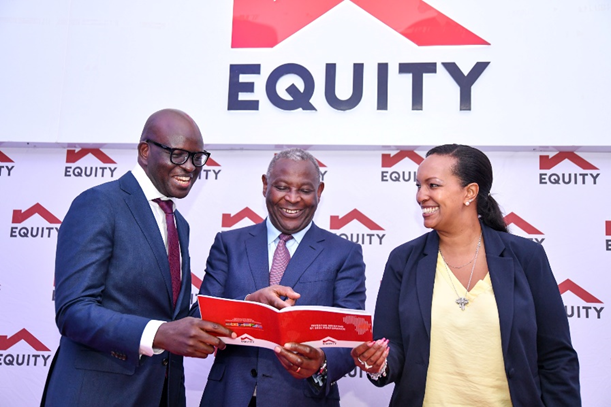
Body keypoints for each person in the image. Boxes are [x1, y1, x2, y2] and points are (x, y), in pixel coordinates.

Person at [351, 144, 580, 406]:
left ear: (469, 192)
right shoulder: (403, 260)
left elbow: (556, 356)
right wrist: (377, 362)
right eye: (418, 186)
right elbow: (393, 349)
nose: (421, 195)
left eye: (433, 185)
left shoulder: (526, 257)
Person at [42, 109, 235, 407]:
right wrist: (159, 334)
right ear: (145, 151)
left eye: (198, 157)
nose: (191, 167)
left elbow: (175, 319)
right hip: (98, 396)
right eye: (179, 154)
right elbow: (73, 311)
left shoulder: (177, 222)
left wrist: (247, 306)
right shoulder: (99, 204)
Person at [195, 148, 366, 406]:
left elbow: (351, 334)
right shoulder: (228, 244)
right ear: (265, 185)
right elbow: (197, 319)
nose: (293, 199)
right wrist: (250, 303)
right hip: (229, 397)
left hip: (302, 398)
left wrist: (321, 362)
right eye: (282, 187)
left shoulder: (344, 253)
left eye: (305, 190)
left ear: (319, 192)